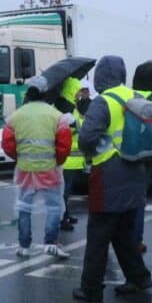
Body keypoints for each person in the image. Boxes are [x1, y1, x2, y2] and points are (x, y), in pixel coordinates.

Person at [73, 56, 152, 303]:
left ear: (101, 76)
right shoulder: (135, 96)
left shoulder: (103, 101)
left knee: (98, 234)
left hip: (108, 175)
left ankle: (91, 288)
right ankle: (139, 278)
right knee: (123, 232)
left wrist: (94, 147)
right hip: (135, 171)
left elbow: (86, 139)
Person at [2, 76, 72, 258]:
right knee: (54, 206)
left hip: (24, 169)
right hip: (49, 169)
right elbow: (64, 145)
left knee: (24, 207)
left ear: (28, 93)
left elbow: (7, 144)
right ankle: (50, 243)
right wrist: (57, 161)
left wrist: (19, 157)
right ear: (45, 93)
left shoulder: (16, 116)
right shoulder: (56, 116)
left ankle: (24, 246)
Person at [131, 60, 152, 252]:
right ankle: (136, 239)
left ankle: (120, 237)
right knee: (140, 198)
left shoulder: (128, 97)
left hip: (128, 151)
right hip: (147, 155)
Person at [60, 78, 91, 231]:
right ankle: (62, 219)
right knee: (64, 192)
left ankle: (66, 214)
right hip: (68, 159)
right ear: (71, 90)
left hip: (73, 158)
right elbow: (67, 128)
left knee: (68, 190)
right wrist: (80, 125)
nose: (79, 94)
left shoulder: (71, 107)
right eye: (78, 90)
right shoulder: (65, 108)